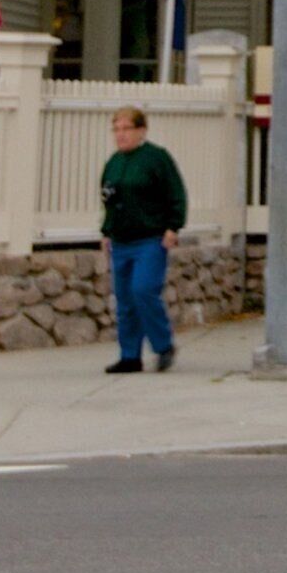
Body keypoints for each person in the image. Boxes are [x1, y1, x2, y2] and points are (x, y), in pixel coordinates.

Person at [97, 106, 186, 374]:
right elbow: (109, 201)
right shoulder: (114, 163)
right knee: (124, 300)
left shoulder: (156, 158)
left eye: (126, 129)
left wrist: (173, 226)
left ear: (141, 131)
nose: (121, 135)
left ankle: (163, 345)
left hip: (150, 239)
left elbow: (176, 193)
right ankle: (129, 355)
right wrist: (106, 231)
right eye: (117, 129)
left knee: (143, 290)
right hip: (121, 241)